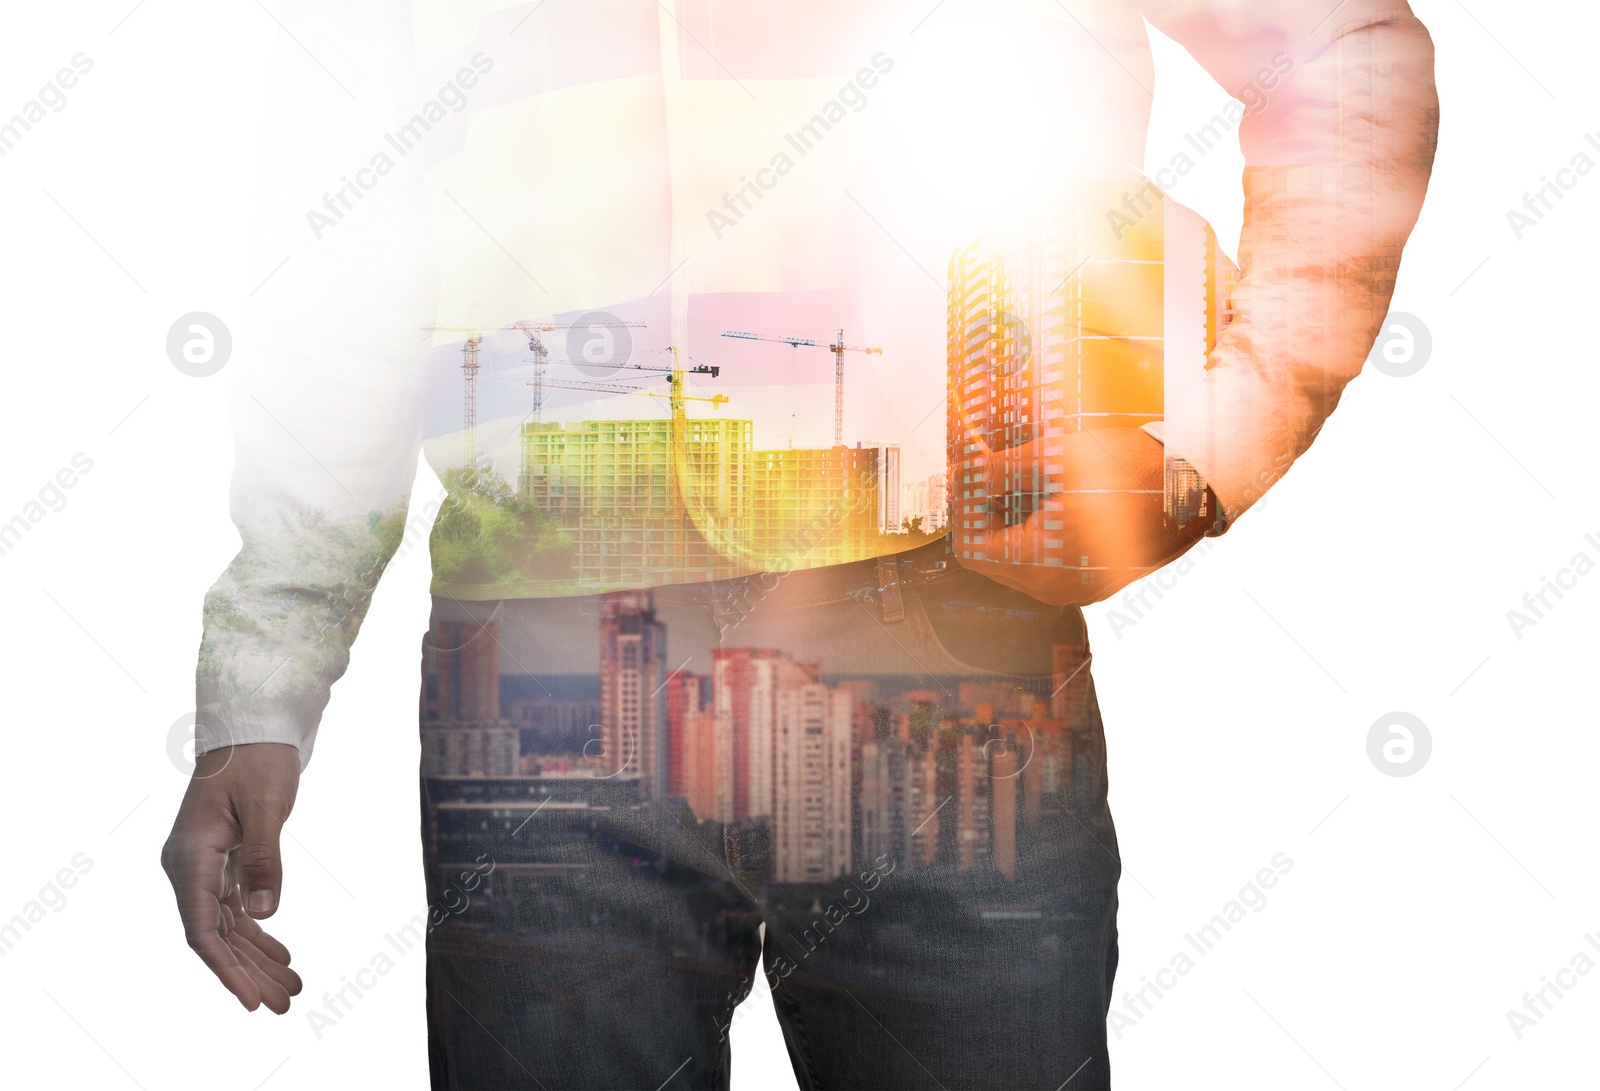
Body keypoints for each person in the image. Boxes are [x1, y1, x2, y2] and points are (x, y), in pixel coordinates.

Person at [161, 1, 1437, 1086]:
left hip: (947, 624)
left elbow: (1335, 47)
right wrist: (258, 692)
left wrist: (1217, 431)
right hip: (544, 665)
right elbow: (337, 252)